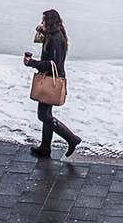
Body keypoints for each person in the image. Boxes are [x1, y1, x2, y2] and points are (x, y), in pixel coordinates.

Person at [21, 9, 84, 157]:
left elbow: (52, 64)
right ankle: (45, 146)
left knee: (43, 115)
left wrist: (32, 63)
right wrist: (43, 33)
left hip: (51, 79)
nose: (42, 23)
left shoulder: (55, 39)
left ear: (49, 22)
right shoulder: (55, 35)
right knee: (47, 113)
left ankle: (71, 138)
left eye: (44, 21)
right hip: (52, 78)